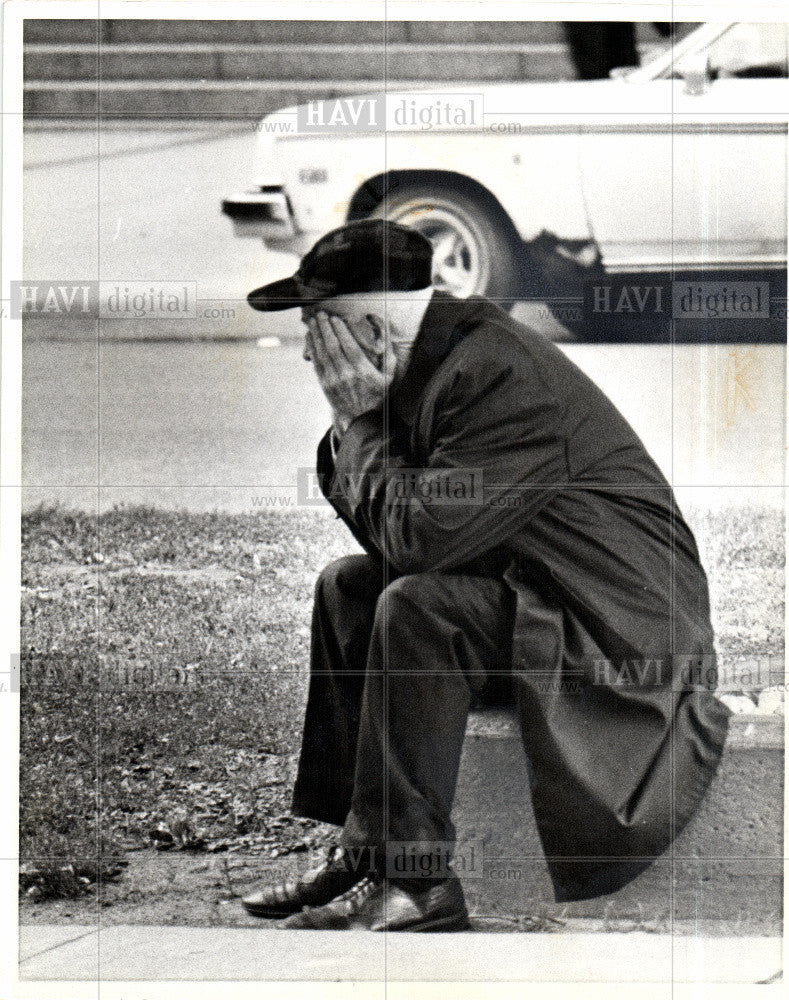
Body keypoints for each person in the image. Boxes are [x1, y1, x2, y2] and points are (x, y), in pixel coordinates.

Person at [241, 219, 731, 931]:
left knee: (418, 606)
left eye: (320, 328)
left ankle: (421, 886)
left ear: (372, 331)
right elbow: (384, 536)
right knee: (348, 589)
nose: (311, 354)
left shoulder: (497, 376)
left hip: (615, 638)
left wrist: (361, 424)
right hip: (542, 601)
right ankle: (365, 850)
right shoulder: (428, 361)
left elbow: (417, 542)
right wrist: (358, 427)